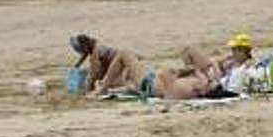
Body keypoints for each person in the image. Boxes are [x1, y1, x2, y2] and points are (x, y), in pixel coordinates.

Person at [68, 34, 216, 99]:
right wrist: (197, 73)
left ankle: (103, 89)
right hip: (147, 82)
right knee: (121, 66)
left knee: (124, 52)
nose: (208, 82)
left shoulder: (185, 89)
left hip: (147, 82)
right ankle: (105, 87)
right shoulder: (194, 86)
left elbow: (165, 74)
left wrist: (188, 71)